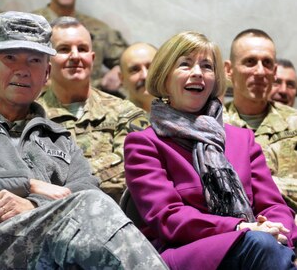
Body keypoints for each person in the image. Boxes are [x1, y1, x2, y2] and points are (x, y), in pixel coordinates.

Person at [0, 11, 168, 269]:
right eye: (10, 57)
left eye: (34, 60)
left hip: (46, 249)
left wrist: (32, 204)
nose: (22, 70)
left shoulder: (57, 138)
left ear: (46, 75)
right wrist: (27, 184)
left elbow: (87, 189)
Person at [124, 31, 297, 270]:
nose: (198, 73)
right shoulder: (144, 143)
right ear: (164, 78)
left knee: (267, 245)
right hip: (183, 251)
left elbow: (273, 205)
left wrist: (279, 231)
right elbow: (168, 217)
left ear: (216, 79)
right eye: (185, 64)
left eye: (207, 66)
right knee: (260, 244)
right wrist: (239, 228)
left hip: (258, 244)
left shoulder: (242, 138)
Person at [37, 17, 149, 203]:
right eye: (64, 49)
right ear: (47, 59)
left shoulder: (125, 112)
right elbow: (27, 175)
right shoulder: (32, 115)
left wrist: (61, 182)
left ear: (92, 58)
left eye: (82, 49)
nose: (75, 56)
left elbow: (134, 168)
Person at [223, 29, 297, 210]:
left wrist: (252, 183)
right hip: (237, 232)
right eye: (250, 62)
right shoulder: (212, 125)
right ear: (229, 70)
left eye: (267, 63)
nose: (260, 71)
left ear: (275, 71)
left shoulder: (294, 123)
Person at [33, 0, 128, 94]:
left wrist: (119, 70)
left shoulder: (97, 28)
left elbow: (129, 59)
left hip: (91, 105)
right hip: (41, 102)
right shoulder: (31, 25)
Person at [119, 42, 157, 112]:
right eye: (135, 70)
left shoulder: (181, 112)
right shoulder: (114, 120)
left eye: (151, 67)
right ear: (122, 79)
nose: (145, 76)